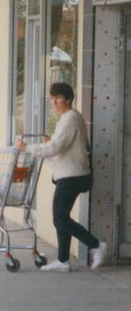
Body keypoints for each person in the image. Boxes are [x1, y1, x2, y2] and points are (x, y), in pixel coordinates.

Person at [16, 82, 106, 271]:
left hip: (72, 176)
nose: (54, 102)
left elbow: (55, 148)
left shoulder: (71, 118)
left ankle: (96, 245)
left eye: (58, 97)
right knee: (61, 216)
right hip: (70, 174)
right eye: (52, 98)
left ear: (69, 99)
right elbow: (60, 146)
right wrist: (51, 142)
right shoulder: (67, 118)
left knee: (59, 218)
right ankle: (63, 260)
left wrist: (27, 149)